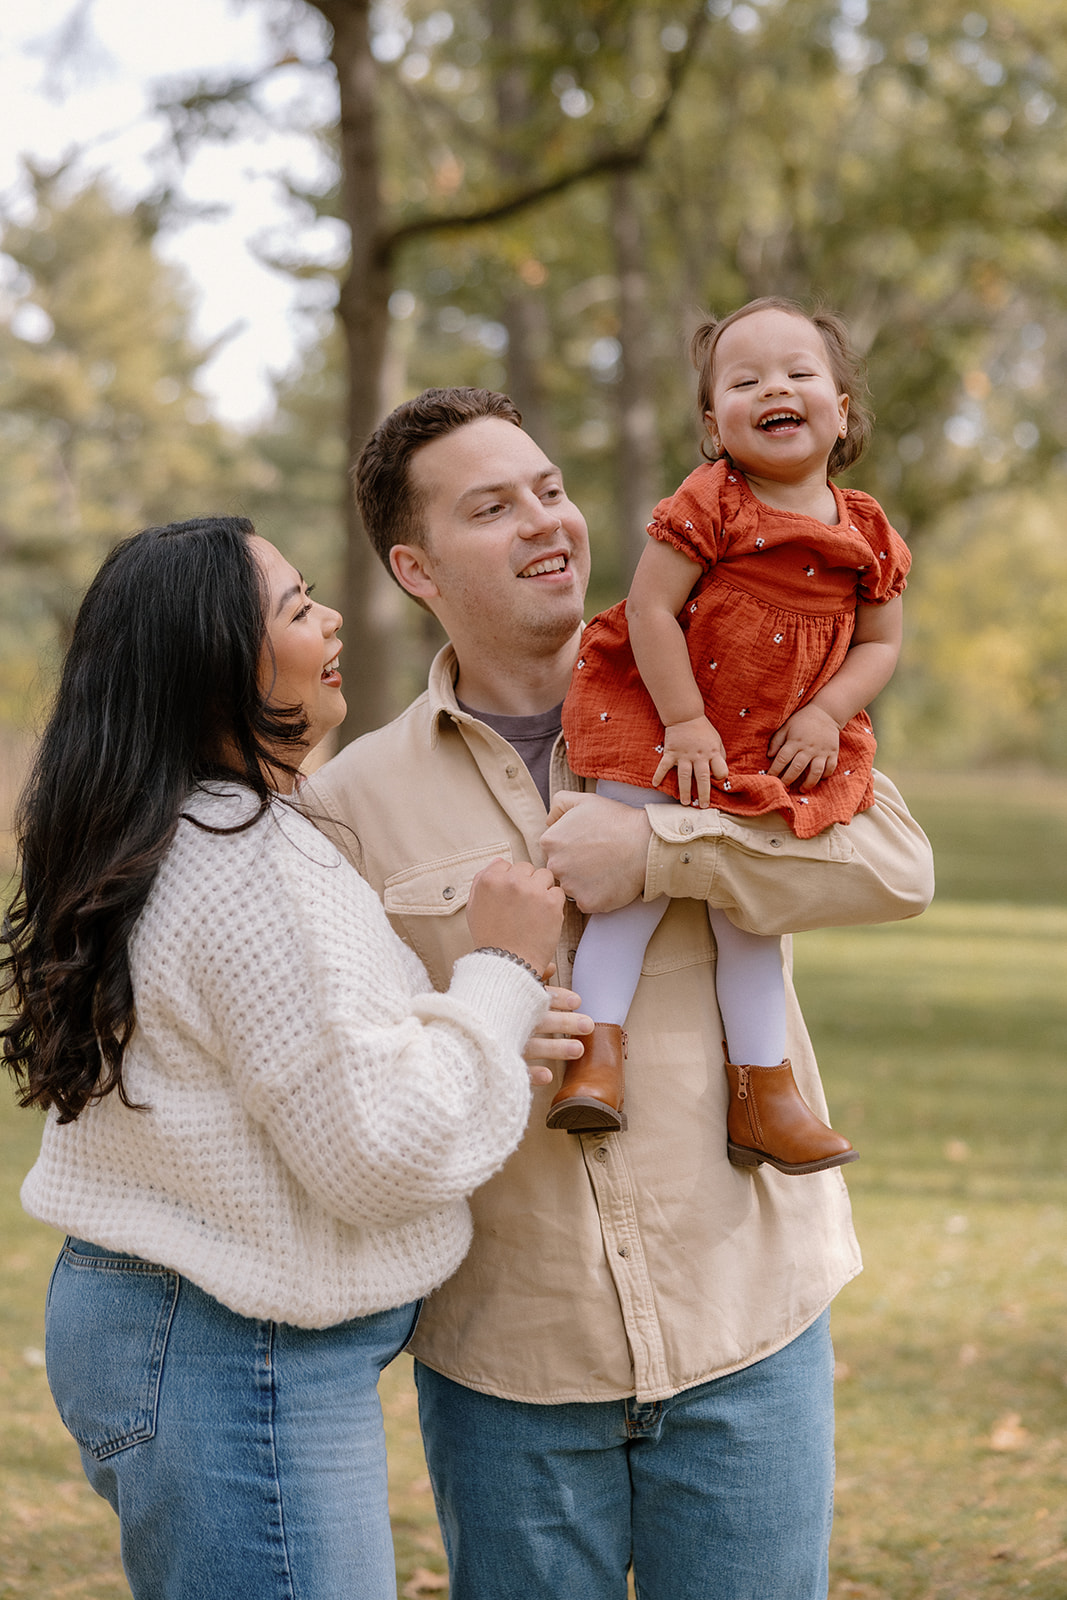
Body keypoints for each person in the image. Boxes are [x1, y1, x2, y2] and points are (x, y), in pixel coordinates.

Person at [308, 387, 935, 1600]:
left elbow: (895, 865)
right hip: (510, 1371)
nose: (546, 521)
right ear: (414, 565)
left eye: (547, 488)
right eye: (492, 507)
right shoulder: (352, 805)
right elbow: (368, 1083)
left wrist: (662, 854)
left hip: (744, 1327)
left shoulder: (722, 686)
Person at [0, 515, 569, 1600]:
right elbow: (375, 1152)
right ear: (219, 665)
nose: (333, 618)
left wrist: (479, 1025)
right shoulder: (249, 862)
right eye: (298, 607)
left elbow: (294, 1062)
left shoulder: (178, 826)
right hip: (234, 1356)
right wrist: (501, 965)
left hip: (171, 1329)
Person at [555, 298, 910, 1175]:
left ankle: (764, 1096)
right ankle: (593, 1061)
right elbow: (649, 609)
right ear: (715, 424)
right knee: (627, 899)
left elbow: (880, 643)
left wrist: (827, 713)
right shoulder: (711, 500)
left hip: (775, 745)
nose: (773, 389)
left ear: (841, 410)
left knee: (754, 919)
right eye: (744, 380)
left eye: (797, 373)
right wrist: (681, 719)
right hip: (666, 722)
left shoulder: (864, 531)